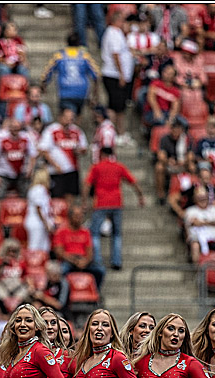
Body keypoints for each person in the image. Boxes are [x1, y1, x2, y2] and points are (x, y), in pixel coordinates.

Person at [83, 148, 146, 271]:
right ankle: (116, 261)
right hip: (116, 203)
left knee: (95, 234)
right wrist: (140, 196)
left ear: (102, 154)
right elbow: (133, 181)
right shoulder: (118, 167)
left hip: (100, 203)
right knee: (116, 234)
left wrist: (84, 201)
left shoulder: (97, 167)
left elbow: (87, 184)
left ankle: (97, 261)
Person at [99, 11, 135, 146]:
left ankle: (116, 133)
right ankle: (117, 133)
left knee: (118, 106)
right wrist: (121, 74)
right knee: (117, 107)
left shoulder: (117, 33)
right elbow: (115, 54)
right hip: (113, 75)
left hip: (115, 75)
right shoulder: (113, 33)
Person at [39, 108, 87, 200]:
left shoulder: (77, 131)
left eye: (71, 118)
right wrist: (55, 165)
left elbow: (84, 148)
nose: (69, 120)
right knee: (57, 196)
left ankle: (68, 213)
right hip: (56, 170)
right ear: (60, 117)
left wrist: (80, 151)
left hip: (72, 169)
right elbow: (43, 150)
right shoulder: (51, 130)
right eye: (67, 117)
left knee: (71, 195)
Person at [184, 186, 215, 262]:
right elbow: (192, 223)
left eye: (204, 197)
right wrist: (212, 222)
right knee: (195, 246)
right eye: (199, 197)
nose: (202, 200)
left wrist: (202, 222)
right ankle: (198, 273)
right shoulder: (190, 211)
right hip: (199, 241)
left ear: (208, 197)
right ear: (195, 199)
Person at [23, 168, 55, 253]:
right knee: (35, 247)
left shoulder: (39, 189)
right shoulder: (38, 189)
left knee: (44, 248)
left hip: (40, 222)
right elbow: (38, 208)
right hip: (37, 222)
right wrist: (46, 224)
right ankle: (33, 265)